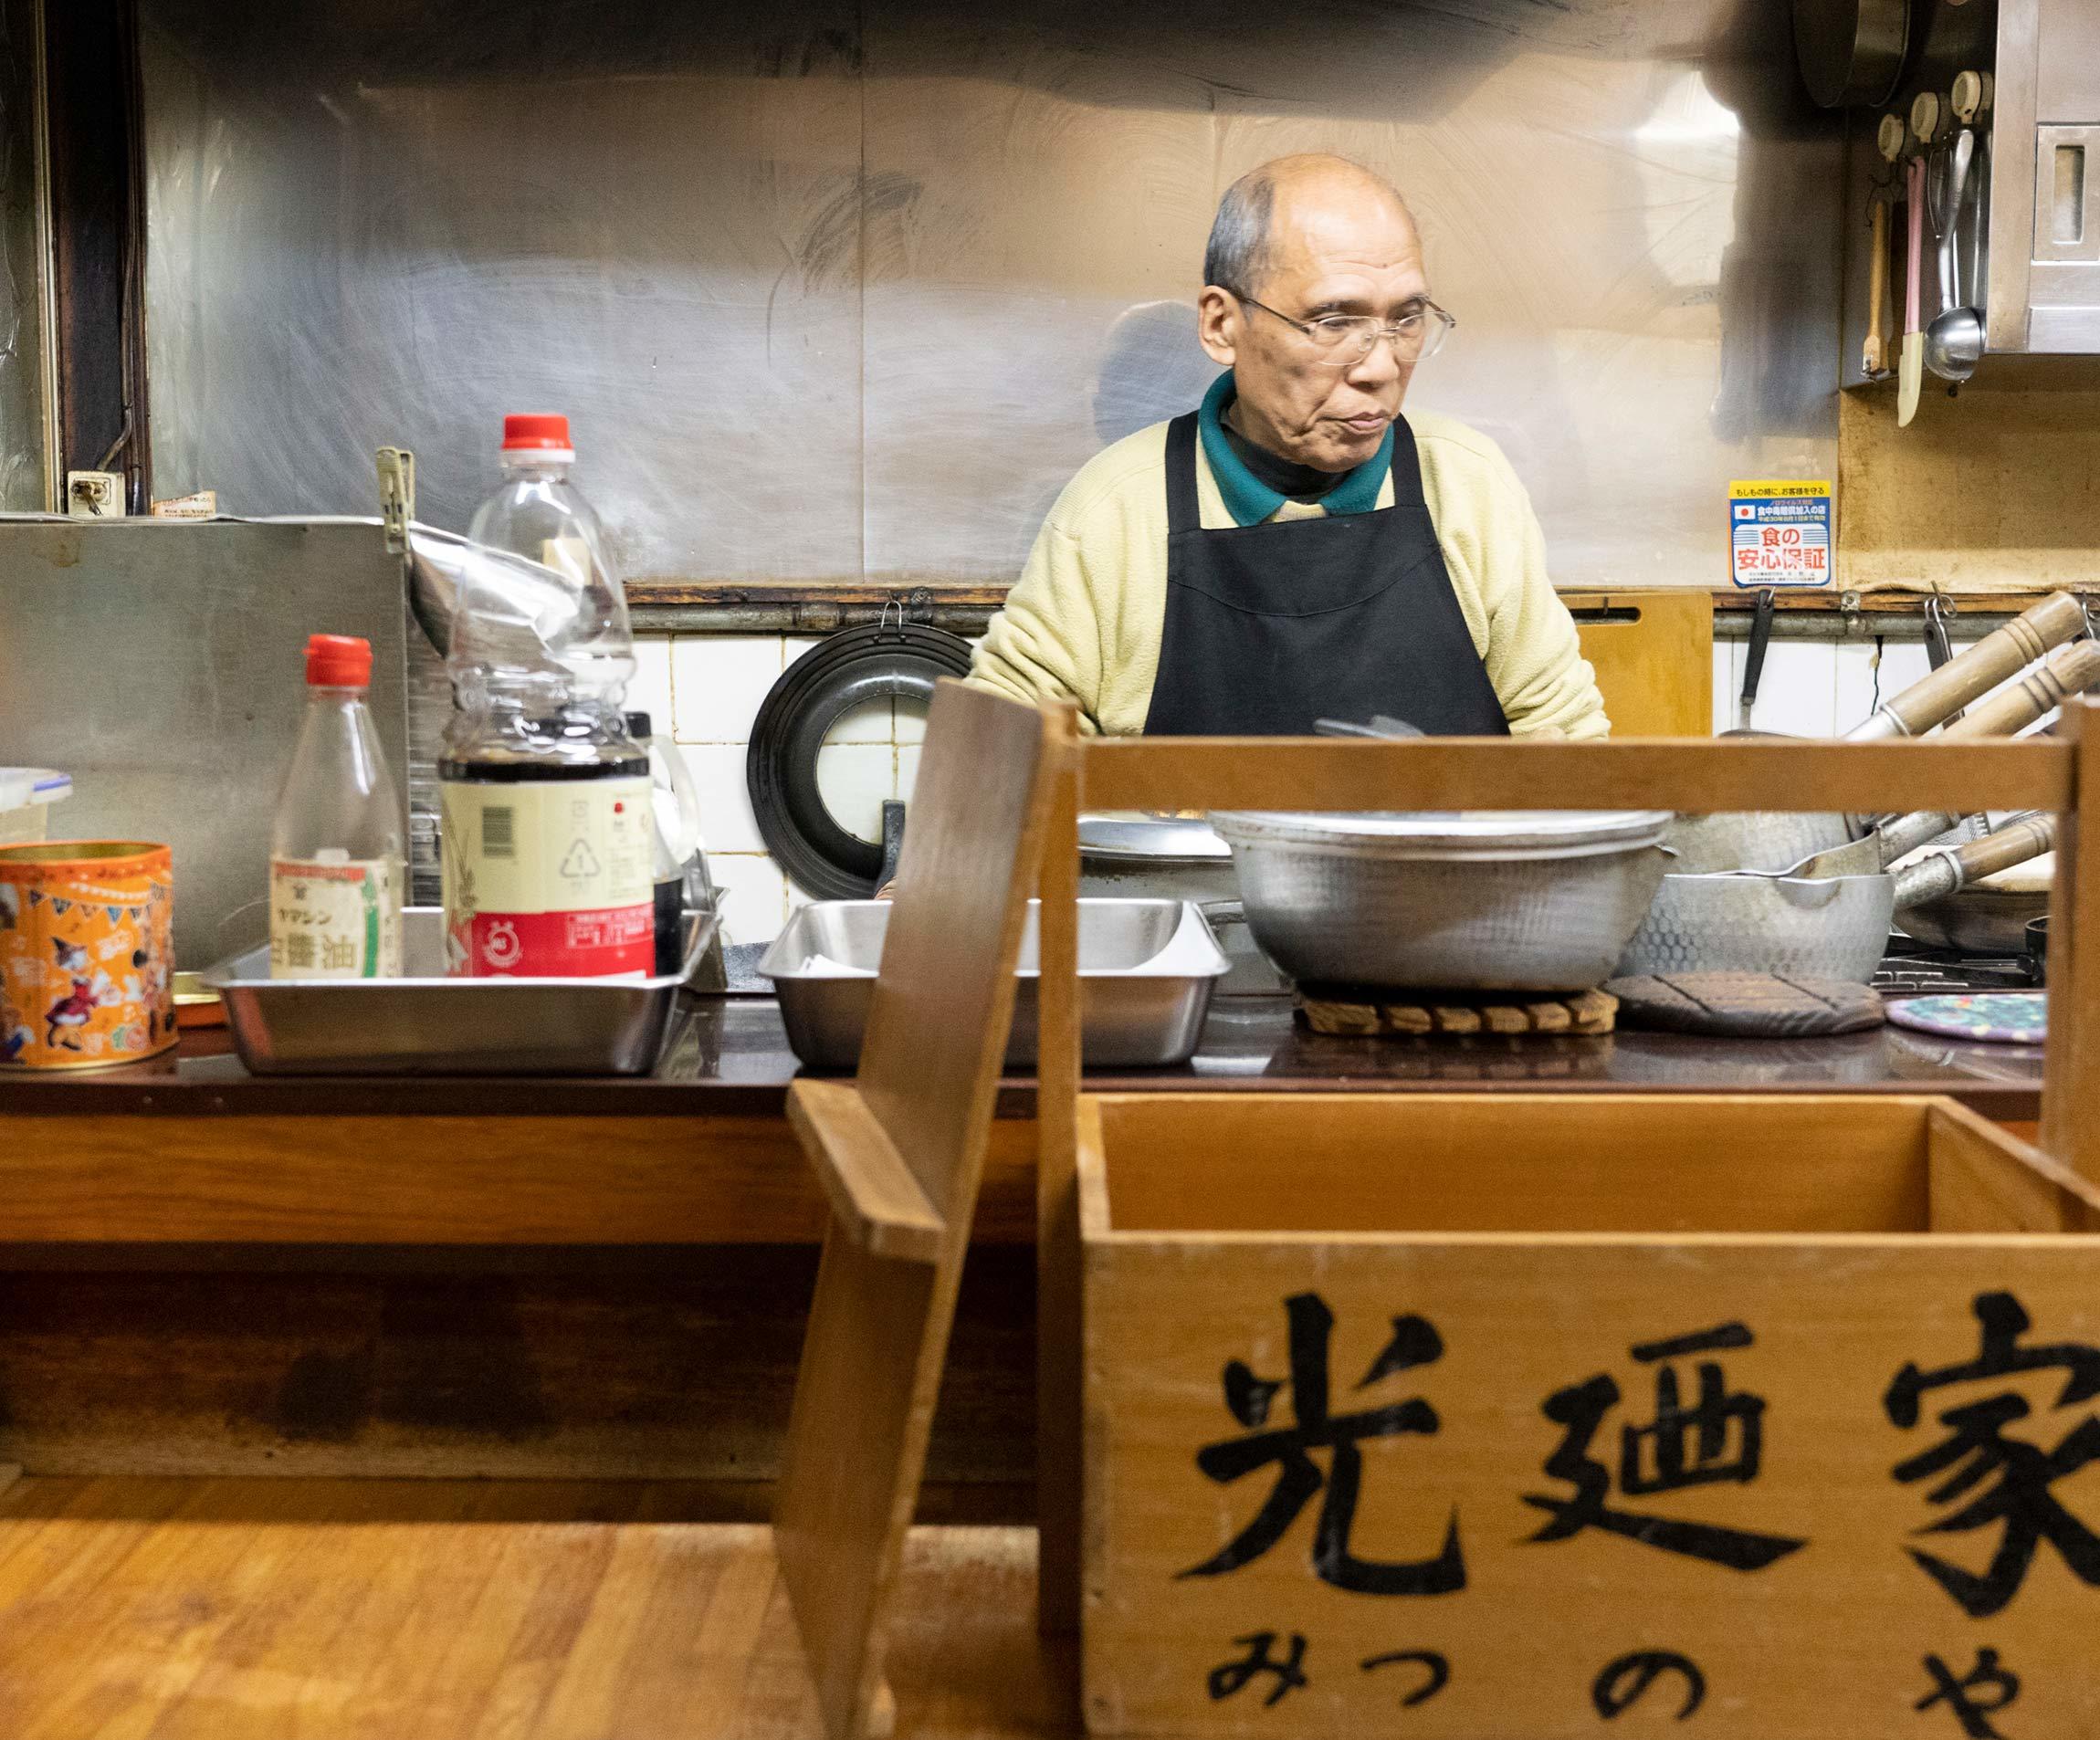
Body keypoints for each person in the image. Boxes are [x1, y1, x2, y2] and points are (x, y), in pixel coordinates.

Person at [968, 153, 1609, 739]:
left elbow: (1565, 742)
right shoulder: (1113, 510)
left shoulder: (1467, 485)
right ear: (1223, 325)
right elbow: (1002, 763)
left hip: (1444, 868)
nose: (1381, 367)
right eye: (1334, 322)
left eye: (1406, 319)